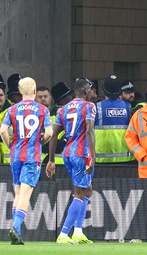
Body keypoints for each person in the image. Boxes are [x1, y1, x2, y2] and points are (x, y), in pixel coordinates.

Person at [0, 77, 53, 245]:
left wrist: (10, 146)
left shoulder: (12, 110)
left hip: (15, 156)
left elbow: (2, 130)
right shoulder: (42, 109)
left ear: (20, 91)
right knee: (25, 194)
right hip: (32, 157)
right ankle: (15, 226)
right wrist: (40, 141)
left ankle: (17, 232)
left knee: (17, 193)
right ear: (35, 91)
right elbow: (50, 133)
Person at [46, 77, 96, 244]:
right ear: (86, 90)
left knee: (87, 191)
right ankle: (63, 234)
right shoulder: (89, 106)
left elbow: (54, 136)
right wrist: (93, 157)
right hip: (83, 153)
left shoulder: (63, 109)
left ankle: (78, 232)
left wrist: (51, 160)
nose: (92, 92)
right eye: (91, 89)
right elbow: (89, 130)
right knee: (80, 194)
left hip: (68, 153)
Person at [95, 75, 135, 163]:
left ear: (103, 90)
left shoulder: (97, 107)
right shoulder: (128, 107)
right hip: (125, 158)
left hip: (102, 159)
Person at [50, 82, 74, 164]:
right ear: (62, 99)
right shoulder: (54, 115)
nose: (72, 96)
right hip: (59, 160)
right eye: (69, 95)